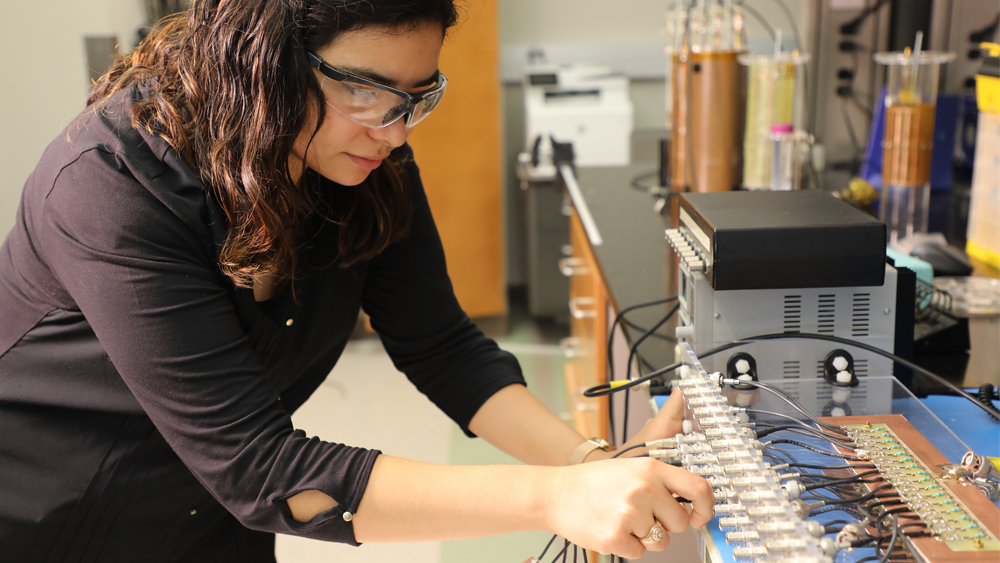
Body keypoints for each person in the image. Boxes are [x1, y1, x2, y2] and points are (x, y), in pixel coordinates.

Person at [0, 1, 714, 561]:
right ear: (263, 60)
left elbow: (441, 345)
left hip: (207, 525)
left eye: (415, 97)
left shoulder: (358, 163)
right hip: (46, 521)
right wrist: (557, 496)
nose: (395, 132)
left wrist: (591, 463)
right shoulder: (111, 184)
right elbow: (260, 470)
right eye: (366, 92)